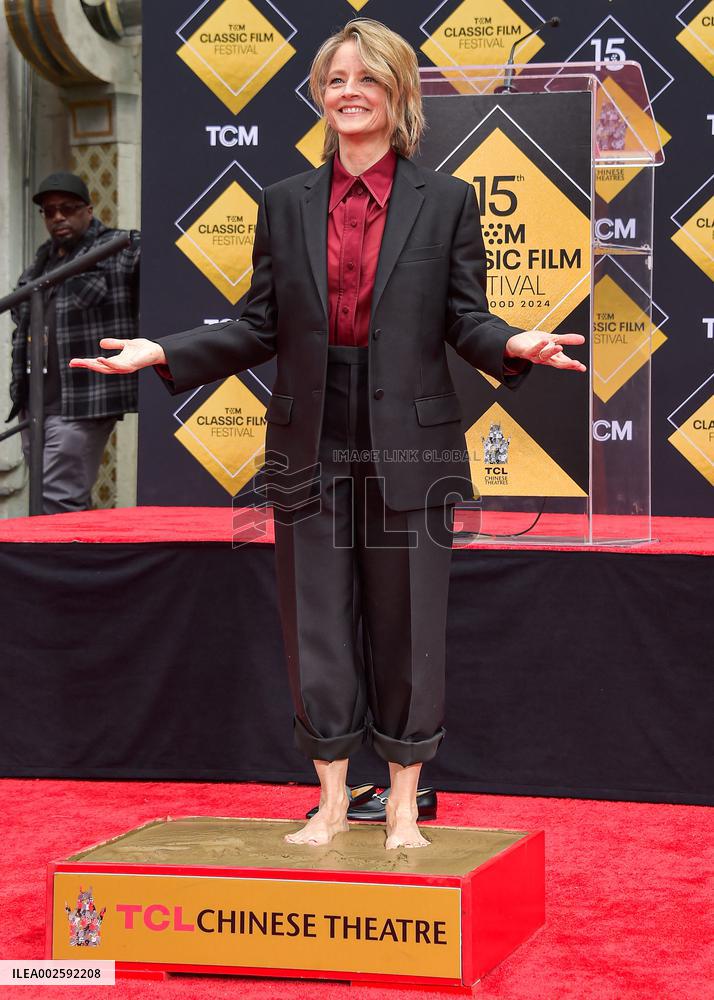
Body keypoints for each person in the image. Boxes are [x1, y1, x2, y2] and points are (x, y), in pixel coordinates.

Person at [71, 20, 585, 849]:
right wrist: (163, 350)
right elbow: (258, 325)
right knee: (316, 619)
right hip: (308, 431)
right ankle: (336, 801)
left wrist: (512, 343)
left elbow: (465, 317)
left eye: (367, 78)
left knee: (407, 620)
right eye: (335, 78)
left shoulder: (446, 200)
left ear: (397, 95)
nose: (349, 90)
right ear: (320, 94)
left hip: (411, 440)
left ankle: (407, 802)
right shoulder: (282, 202)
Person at [8, 171, 140, 514]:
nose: (58, 217)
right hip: (35, 401)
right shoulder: (42, 261)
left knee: (57, 498)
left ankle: (55, 566)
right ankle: (82, 563)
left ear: (89, 210)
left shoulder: (114, 249)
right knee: (47, 498)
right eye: (49, 211)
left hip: (83, 400)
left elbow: (155, 254)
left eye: (67, 208)